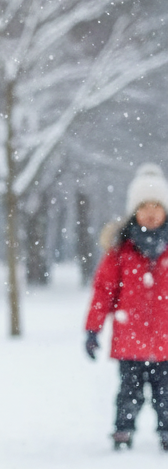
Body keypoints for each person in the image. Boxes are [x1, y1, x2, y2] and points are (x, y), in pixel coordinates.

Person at [84, 162, 168, 451]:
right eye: (144, 205)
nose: (151, 211)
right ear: (134, 210)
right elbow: (103, 292)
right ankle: (123, 430)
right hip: (129, 340)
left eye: (157, 205)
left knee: (166, 394)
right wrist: (92, 329)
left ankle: (167, 431)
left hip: (166, 342)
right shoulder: (121, 250)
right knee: (129, 391)